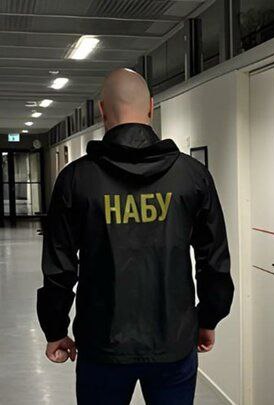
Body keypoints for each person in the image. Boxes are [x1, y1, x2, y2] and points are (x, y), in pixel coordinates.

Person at [36, 68, 234, 404]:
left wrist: (55, 329)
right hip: (173, 341)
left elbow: (59, 266)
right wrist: (209, 317)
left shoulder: (76, 180)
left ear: (102, 111)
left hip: (102, 344)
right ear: (151, 107)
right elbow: (213, 260)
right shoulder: (192, 176)